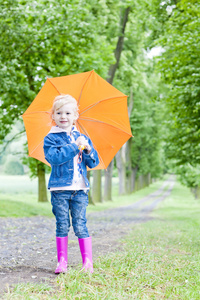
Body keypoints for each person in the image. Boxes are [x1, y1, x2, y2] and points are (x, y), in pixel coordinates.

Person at [43, 94, 99, 274]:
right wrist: (75, 146)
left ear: (76, 115)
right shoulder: (51, 138)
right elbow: (54, 158)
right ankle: (62, 262)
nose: (63, 116)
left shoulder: (82, 137)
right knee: (62, 224)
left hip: (80, 190)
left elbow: (93, 163)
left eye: (68, 112)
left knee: (80, 224)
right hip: (60, 190)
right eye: (59, 113)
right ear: (53, 116)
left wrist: (88, 149)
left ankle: (88, 263)